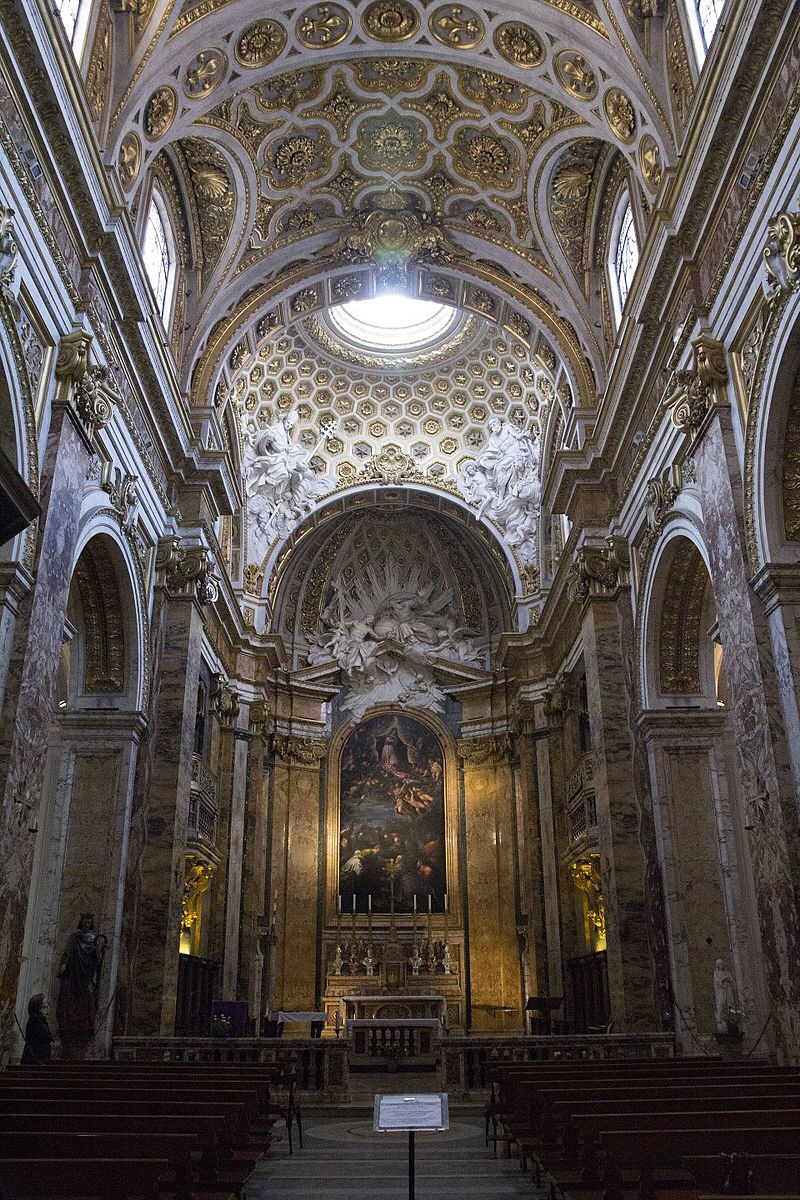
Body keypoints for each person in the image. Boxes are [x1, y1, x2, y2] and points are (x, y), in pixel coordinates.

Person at [56, 912, 107, 1058]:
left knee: (88, 999)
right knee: (70, 999)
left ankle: (86, 1024)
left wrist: (99, 952)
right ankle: (70, 1023)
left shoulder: (95, 938)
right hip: (75, 972)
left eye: (88, 922)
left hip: (87, 974)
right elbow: (67, 953)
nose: (86, 924)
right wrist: (64, 965)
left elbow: (98, 960)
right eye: (84, 921)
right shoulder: (74, 938)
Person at [21, 993, 52, 1065]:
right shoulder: (36, 1018)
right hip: (36, 1056)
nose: (47, 1007)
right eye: (44, 1006)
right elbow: (45, 1034)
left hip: (37, 1054)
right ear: (38, 1006)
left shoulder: (37, 1018)